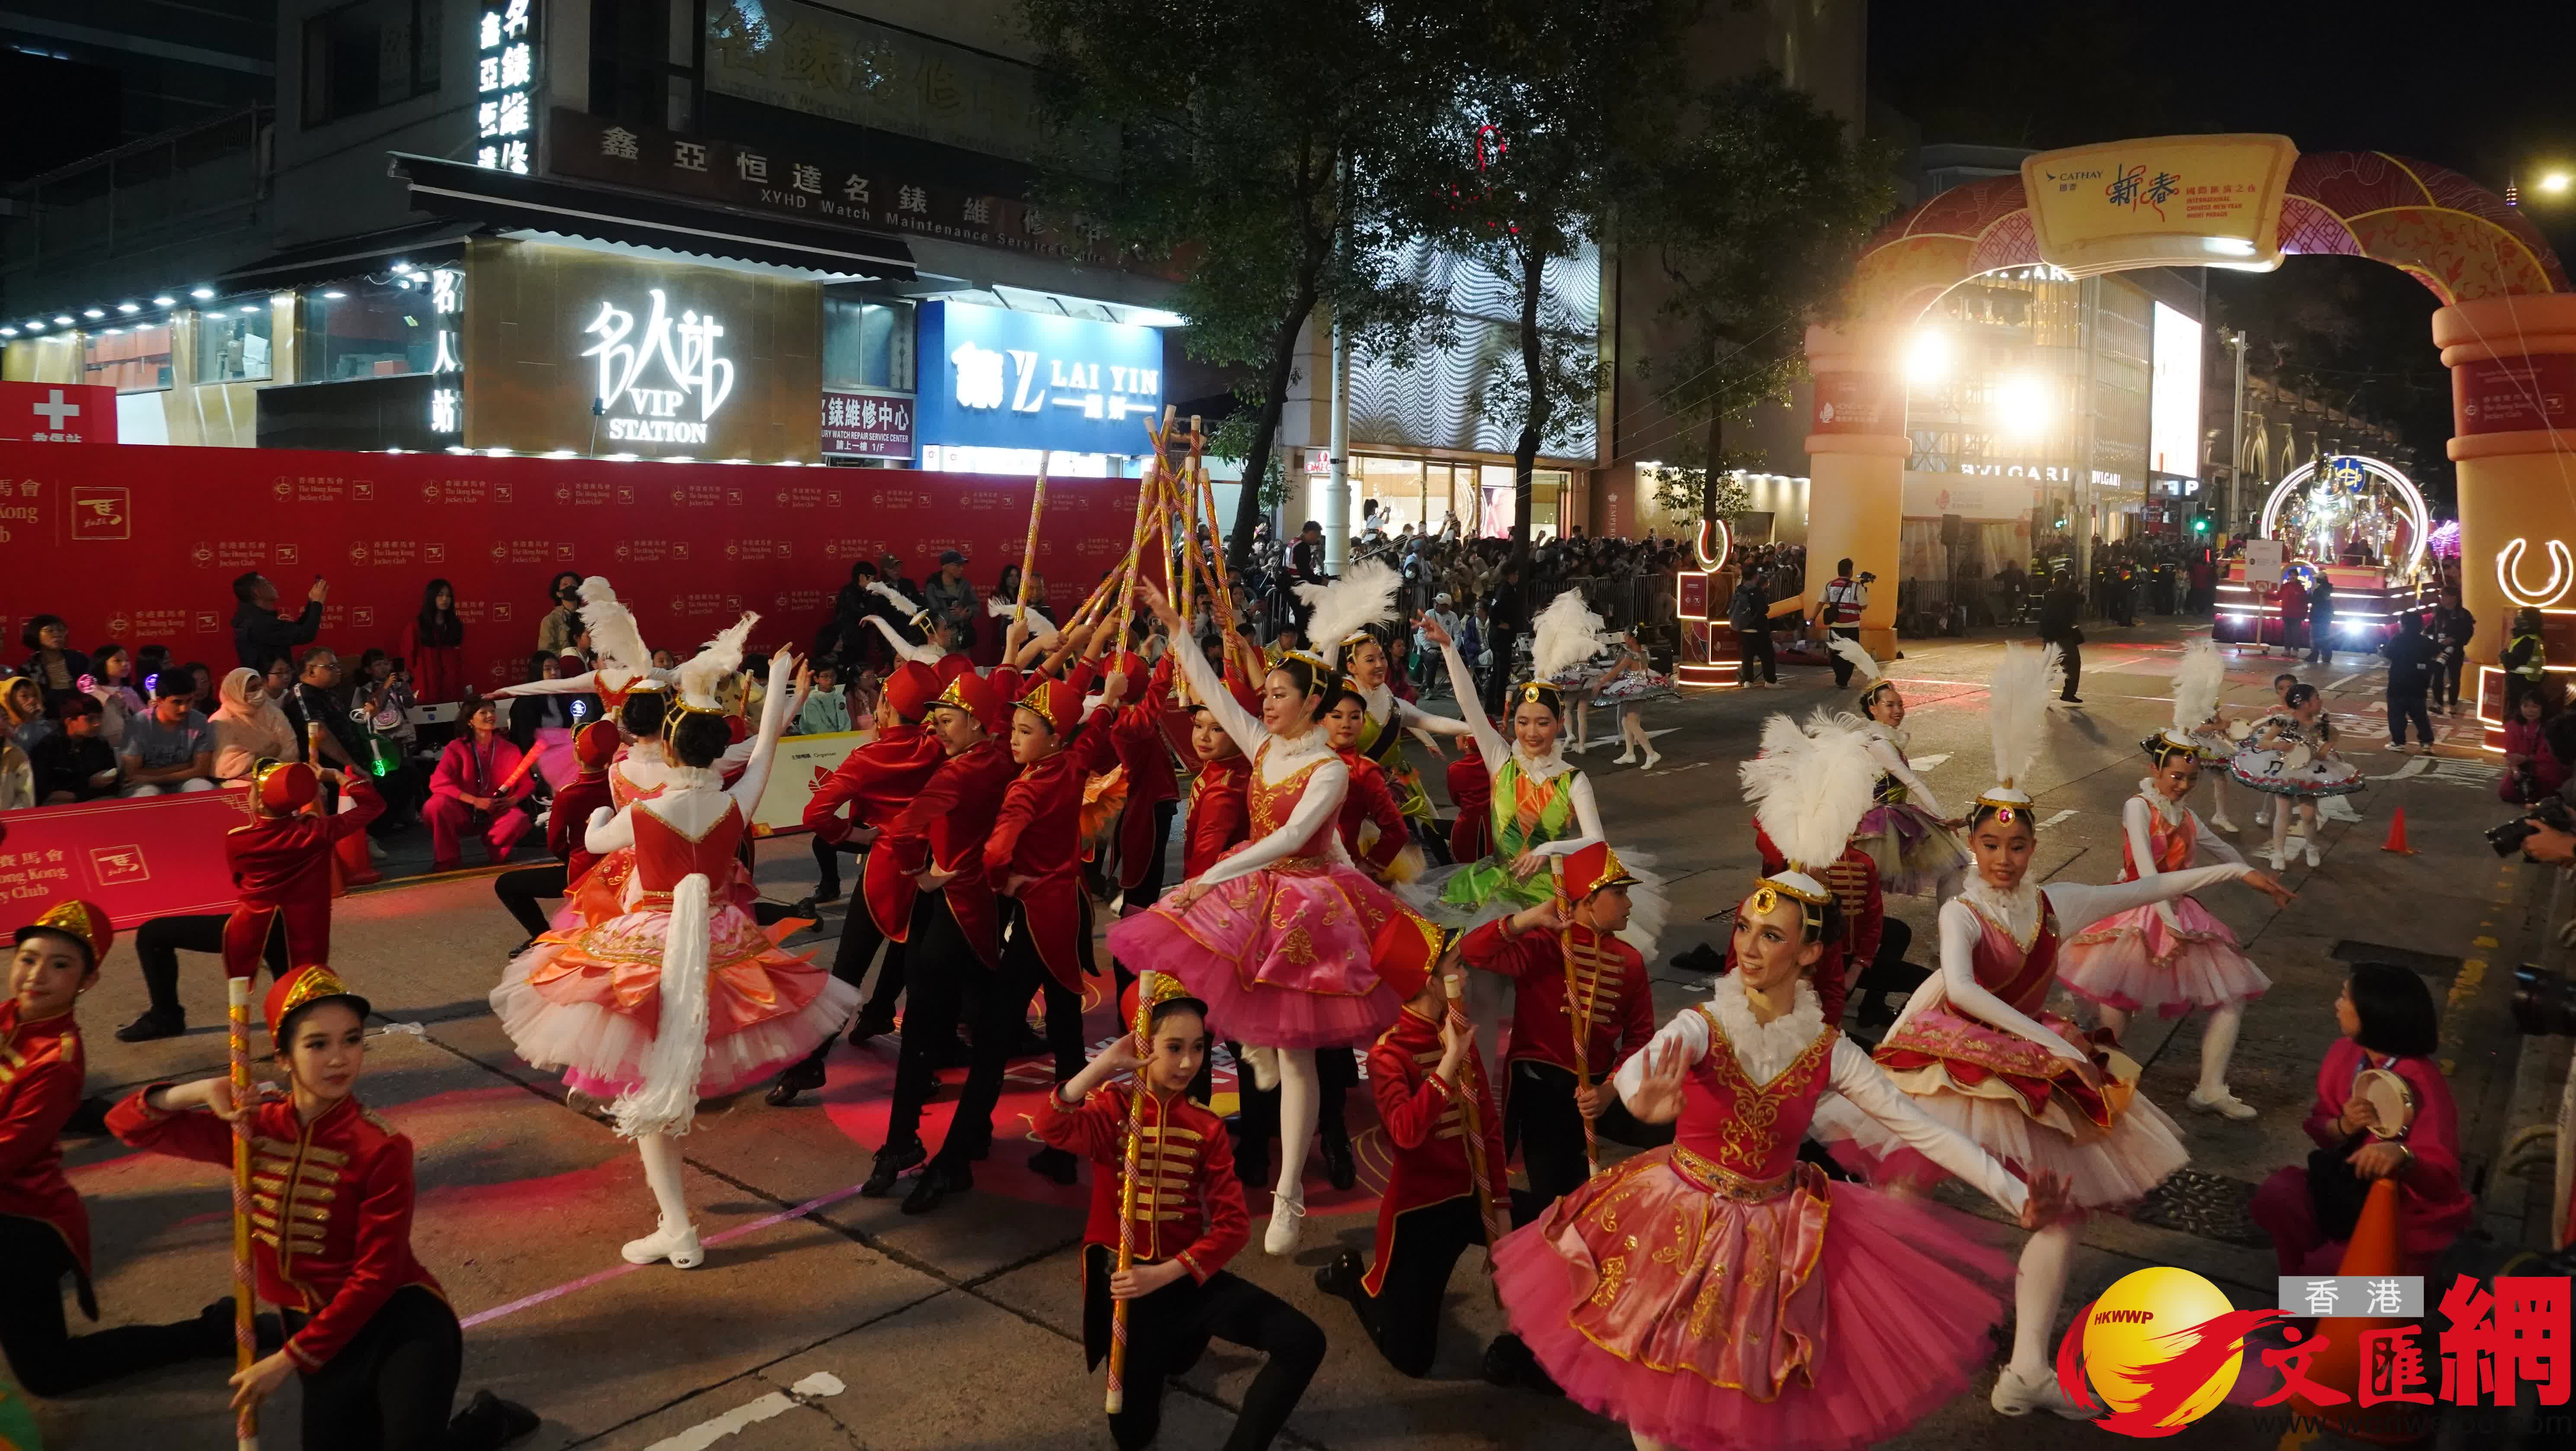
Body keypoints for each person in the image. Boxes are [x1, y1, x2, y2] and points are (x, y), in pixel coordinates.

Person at [1486, 770, 2073, 1449]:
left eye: (1771, 936)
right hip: (1675, 1225)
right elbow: (1647, 1066)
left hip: (1774, 1244)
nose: (1747, 947)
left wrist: (2014, 1196)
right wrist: (1645, 1096)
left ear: (1812, 952)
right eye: (1745, 928)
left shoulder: (1830, 1052)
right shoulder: (1704, 1024)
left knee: (1742, 1403)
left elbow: (1920, 1128)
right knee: (1653, 1410)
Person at [1811, 642, 2290, 1419]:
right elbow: (1957, 987)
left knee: (2059, 1209)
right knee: (1898, 1192)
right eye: (1991, 845)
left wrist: (2234, 872)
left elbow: (2151, 881)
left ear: (2032, 847)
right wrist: (2049, 1042)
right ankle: (1840, 1321)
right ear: (1973, 845)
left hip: (2031, 1063)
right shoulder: (1960, 910)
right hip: (1957, 1059)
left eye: (2016, 846)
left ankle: (2028, 1367)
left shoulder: (2055, 903)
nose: (2003, 859)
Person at [491, 626, 841, 1269]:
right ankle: (671, 1219)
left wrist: (599, 818)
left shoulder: (647, 810)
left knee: (649, 1086)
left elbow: (595, 842)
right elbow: (764, 748)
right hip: (719, 943)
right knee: (666, 1079)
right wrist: (776, 690)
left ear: (673, 751)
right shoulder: (737, 801)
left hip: (648, 942)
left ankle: (676, 1226)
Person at [1109, 566, 1435, 1255]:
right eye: (1267, 692)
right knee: (1197, 978)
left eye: (1280, 693)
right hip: (1258, 896)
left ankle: (1289, 1196)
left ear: (1311, 703)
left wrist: (1212, 876)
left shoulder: (1331, 769)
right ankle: (1252, 1046)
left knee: (1298, 1062)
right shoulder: (1263, 745)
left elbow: (1293, 839)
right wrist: (1175, 630)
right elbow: (1211, 695)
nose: (1267, 701)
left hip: (1308, 906)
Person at [109, 962, 539, 1447]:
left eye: (351, 1039)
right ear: (284, 1056)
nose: (340, 1058)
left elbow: (378, 1276)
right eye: (317, 1044)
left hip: (399, 1325)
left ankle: (484, 1423)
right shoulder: (253, 1128)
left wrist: (288, 1358)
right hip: (317, 1335)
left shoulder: (381, 1146)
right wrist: (195, 1090)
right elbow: (125, 1123)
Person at [1033, 975, 1324, 1451]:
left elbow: (1232, 1227)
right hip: (1128, 1293)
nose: (1189, 1061)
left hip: (1185, 1278)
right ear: (1142, 1045)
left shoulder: (1205, 1126)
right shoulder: (1113, 1111)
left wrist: (1170, 1272)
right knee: (1132, 1434)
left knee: (1304, 1340)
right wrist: (1103, 1066)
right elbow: (1051, 1125)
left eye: (1197, 1046)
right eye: (1173, 1047)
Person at [1, 901, 250, 1400]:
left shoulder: (58, 1061)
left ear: (86, 982)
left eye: (60, 965)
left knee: (51, 1374)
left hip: (23, 1223)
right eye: (29, 958)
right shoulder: (8, 1018)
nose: (37, 975)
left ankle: (209, 1333)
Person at [858, 662, 1019, 1212]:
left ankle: (903, 1143)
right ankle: (964, 1137)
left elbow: (904, 831)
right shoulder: (1005, 761)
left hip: (950, 910)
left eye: (948, 719)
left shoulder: (955, 775)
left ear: (978, 725)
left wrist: (917, 873)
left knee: (928, 1026)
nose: (937, 728)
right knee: (986, 1029)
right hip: (990, 908)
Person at [2058, 710, 2274, 1121]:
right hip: (2135, 908)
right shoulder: (2137, 807)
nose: (2184, 786)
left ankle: (2211, 1087)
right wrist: (2169, 923)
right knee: (2117, 1002)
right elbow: (2148, 872)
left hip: (2179, 910)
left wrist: (2254, 875)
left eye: (2191, 780)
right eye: (2175, 776)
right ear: (2154, 770)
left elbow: (2224, 853)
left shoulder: (2188, 816)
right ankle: (2091, 1084)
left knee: (2230, 997)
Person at [1314, 933, 1509, 1379]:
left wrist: (1501, 1211)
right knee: (1413, 1358)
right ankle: (1353, 1279)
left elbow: (1488, 1128)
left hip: (1471, 1195)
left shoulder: (1456, 1032)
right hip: (1421, 1212)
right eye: (1457, 966)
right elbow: (1405, 1133)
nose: (1467, 973)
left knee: (1558, 1230)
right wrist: (1448, 1063)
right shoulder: (1390, 1053)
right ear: (1431, 981)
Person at [1458, 842, 1658, 1211]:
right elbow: (1472, 952)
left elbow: (1641, 1036)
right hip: (1542, 1091)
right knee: (1554, 1198)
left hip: (1599, 1087)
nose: (1629, 904)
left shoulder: (1629, 960)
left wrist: (1612, 1089)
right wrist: (1527, 919)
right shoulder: (1542, 945)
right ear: (1587, 901)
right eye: (1619, 894)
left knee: (1673, 1129)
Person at [2248, 963, 2472, 1276]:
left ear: (2372, 1012)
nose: (2337, 1005)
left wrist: (2402, 1156)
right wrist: (2343, 1126)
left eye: (2344, 998)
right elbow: (2322, 1126)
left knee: (2328, 1267)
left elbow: (2443, 1182)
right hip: (2346, 1188)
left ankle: (2390, 1304)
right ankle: (2302, 1297)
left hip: (2401, 1210)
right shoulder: (2345, 1053)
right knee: (2278, 1196)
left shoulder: (2422, 1081)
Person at [1831, 637, 1970, 901]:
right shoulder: (1881, 744)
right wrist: (1941, 818)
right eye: (1890, 705)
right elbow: (1914, 783)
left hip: (1894, 815)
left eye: (1901, 704)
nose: (1899, 711)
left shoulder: (1882, 740)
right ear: (1873, 710)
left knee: (1870, 888)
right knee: (1867, 888)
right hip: (1883, 823)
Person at [492, 720, 621, 949]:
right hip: (622, 869)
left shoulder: (568, 794)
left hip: (582, 872)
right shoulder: (620, 784)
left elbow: (556, 843)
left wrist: (571, 860)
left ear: (578, 757)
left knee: (506, 884)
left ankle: (541, 936)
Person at [2231, 682, 2364, 870]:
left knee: (2308, 815)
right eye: (2317, 698)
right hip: (2285, 770)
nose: (2321, 701)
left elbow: (2333, 738)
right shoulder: (2285, 721)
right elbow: (2263, 741)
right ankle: (2278, 853)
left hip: (2309, 771)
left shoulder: (2321, 725)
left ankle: (2311, 847)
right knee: (2283, 812)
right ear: (2304, 704)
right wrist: (2280, 746)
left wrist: (2324, 751)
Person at [424, 699, 534, 872]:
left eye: (492, 711)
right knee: (436, 804)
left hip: (496, 810)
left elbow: (527, 783)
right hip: (463, 810)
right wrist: (475, 801)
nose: (490, 716)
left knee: (518, 818)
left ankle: (496, 847)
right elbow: (438, 783)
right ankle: (447, 858)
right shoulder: (456, 747)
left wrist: (513, 800)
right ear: (470, 721)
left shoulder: (510, 749)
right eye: (483, 713)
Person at [117, 673, 216, 796]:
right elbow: (132, 773)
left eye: (190, 700)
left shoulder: (198, 720)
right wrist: (188, 765)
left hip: (182, 780)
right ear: (159, 701)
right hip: (145, 785)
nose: (184, 708)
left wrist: (152, 777)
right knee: (146, 794)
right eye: (177, 702)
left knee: (203, 788)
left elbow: (201, 769)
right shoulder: (139, 723)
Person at [1588, 631, 1675, 768]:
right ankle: (1630, 754)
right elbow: (1645, 672)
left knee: (1631, 723)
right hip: (1640, 688)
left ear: (1633, 639)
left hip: (1633, 690)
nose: (1624, 638)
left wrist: (1600, 682)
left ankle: (1652, 754)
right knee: (1626, 720)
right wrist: (1657, 677)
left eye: (1626, 636)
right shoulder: (1644, 653)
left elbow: (1616, 671)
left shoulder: (1630, 656)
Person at [208, 665, 299, 784]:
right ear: (236, 691)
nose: (259, 692)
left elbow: (290, 747)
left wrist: (270, 766)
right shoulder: (220, 721)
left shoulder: (272, 712)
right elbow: (225, 767)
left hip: (278, 770)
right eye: (253, 688)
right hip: (238, 780)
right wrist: (262, 756)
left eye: (260, 686)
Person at [29, 694, 120, 802]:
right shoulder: (47, 747)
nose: (97, 724)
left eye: (100, 717)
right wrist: (88, 783)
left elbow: (114, 785)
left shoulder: (100, 744)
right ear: (69, 721)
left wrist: (80, 793)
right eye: (90, 719)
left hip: (97, 799)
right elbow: (43, 791)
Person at [230, 570, 326, 672]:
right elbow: (306, 635)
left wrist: (312, 602)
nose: (273, 586)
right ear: (256, 592)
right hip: (268, 685)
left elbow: (298, 629)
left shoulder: (255, 618)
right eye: (267, 583)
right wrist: (317, 603)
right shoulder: (258, 623)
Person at [2380, 612, 2439, 751]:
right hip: (2419, 683)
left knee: (2396, 714)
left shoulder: (2398, 640)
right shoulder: (2426, 641)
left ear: (2404, 625)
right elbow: (2436, 650)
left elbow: (2389, 654)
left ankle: (2398, 742)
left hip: (2398, 683)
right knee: (2420, 715)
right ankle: (2426, 742)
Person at [406, 578, 467, 706]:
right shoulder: (417, 626)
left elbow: (458, 660)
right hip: (426, 690)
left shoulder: (455, 625)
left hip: (452, 691)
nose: (445, 599)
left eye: (449, 596)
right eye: (440, 595)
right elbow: (408, 660)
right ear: (431, 596)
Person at [2500, 693, 2564, 805]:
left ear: (2543, 708)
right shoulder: (2512, 726)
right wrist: (2515, 770)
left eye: (2535, 706)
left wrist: (2528, 759)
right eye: (2526, 706)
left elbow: (2553, 756)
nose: (2530, 711)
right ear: (2520, 708)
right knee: (2506, 792)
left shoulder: (2552, 727)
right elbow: (2510, 753)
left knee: (2544, 789)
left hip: (2545, 766)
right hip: (2521, 766)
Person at [1815, 557, 1870, 687]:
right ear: (1850, 571)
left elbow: (1820, 603)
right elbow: (1864, 606)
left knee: (1837, 652)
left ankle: (1840, 677)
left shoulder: (1830, 585)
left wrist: (1812, 617)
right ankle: (1843, 680)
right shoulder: (1857, 587)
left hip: (1835, 626)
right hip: (1851, 627)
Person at [16, 616, 87, 710]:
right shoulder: (29, 668)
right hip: (48, 717)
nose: (57, 634)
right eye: (50, 631)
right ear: (36, 635)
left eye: (61, 630)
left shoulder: (78, 658)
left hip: (81, 713)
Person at [2036, 568, 2084, 703]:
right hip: (2064, 635)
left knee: (2050, 666)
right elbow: (2082, 598)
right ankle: (2068, 694)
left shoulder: (2047, 595)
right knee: (2074, 664)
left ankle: (2041, 695)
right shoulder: (2069, 595)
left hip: (2049, 636)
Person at [85, 642, 144, 748]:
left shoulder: (129, 691)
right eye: (118, 661)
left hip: (131, 746)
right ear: (102, 663)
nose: (125, 664)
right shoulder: (93, 692)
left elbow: (142, 716)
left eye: (127, 660)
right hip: (104, 747)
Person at [922, 549, 981, 653]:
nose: (962, 569)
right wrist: (958, 617)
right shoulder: (933, 587)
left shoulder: (965, 585)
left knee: (964, 668)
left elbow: (976, 606)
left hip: (963, 640)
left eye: (962, 566)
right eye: (958, 566)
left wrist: (968, 612)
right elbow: (933, 615)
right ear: (945, 567)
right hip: (942, 642)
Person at [2431, 588, 2477, 714]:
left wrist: (2454, 639)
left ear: (2454, 598)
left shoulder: (2464, 614)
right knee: (2437, 677)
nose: (2442, 599)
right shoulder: (2438, 611)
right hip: (2438, 650)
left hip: (2455, 651)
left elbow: (2469, 633)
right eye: (2441, 596)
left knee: (2454, 678)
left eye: (2445, 596)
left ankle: (2453, 704)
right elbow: (2432, 627)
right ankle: (2438, 703)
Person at [1728, 568, 1776, 688]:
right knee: (1767, 655)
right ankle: (1770, 681)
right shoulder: (1757, 591)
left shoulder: (1739, 590)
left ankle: (1748, 681)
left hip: (1743, 628)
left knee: (1747, 656)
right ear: (1756, 576)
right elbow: (1763, 609)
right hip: (1758, 628)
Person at [2503, 607, 2548, 720]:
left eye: (2522, 616)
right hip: (2528, 682)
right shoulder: (2530, 637)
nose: (2518, 619)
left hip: (2522, 683)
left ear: (2529, 620)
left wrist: (2503, 654)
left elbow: (2513, 663)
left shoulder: (2528, 640)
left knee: (2519, 715)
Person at [794, 658, 851, 735]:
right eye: (825, 676)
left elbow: (846, 722)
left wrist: (844, 736)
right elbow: (817, 728)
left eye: (833, 676)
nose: (830, 679)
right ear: (816, 679)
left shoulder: (840, 697)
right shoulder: (811, 700)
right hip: (815, 740)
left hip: (841, 738)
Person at [536, 570, 586, 656]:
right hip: (563, 667)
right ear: (559, 593)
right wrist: (573, 656)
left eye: (574, 584)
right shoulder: (550, 620)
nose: (570, 586)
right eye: (565, 585)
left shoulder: (588, 617)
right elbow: (546, 652)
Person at [2305, 571, 2338, 665]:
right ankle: (2327, 656)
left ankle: (2314, 655)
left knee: (2315, 637)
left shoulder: (2319, 590)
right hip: (2326, 618)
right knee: (2325, 637)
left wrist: (2310, 593)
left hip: (2317, 617)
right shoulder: (2328, 589)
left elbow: (2313, 600)